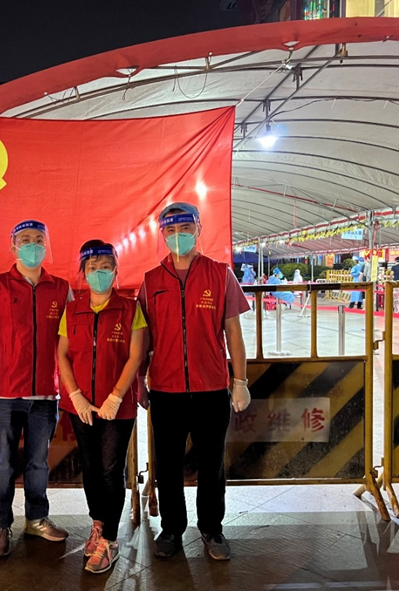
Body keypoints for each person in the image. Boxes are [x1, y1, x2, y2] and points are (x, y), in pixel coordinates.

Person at [137, 202, 250, 561]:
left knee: (211, 464)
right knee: (168, 464)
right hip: (166, 389)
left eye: (185, 228)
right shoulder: (151, 281)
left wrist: (240, 381)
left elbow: (233, 332)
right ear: (162, 234)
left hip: (211, 388)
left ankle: (212, 528)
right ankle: (172, 529)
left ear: (199, 229)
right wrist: (140, 378)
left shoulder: (220, 274)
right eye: (170, 230)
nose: (178, 236)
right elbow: (143, 337)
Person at [0, 220, 71, 557]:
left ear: (46, 245)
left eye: (38, 240)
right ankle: (0, 525)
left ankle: (37, 518)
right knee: (3, 462)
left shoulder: (61, 289)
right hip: (6, 392)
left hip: (46, 392)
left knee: (38, 462)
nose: (32, 245)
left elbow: (68, 337)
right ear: (13, 246)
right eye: (25, 240)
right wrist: (6, 359)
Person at [57, 240, 147, 574]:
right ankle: (98, 523)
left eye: (105, 267)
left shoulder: (130, 308)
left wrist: (117, 396)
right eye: (92, 268)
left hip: (117, 408)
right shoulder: (72, 310)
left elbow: (136, 355)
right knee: (91, 467)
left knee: (111, 470)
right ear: (83, 273)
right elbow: (62, 355)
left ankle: (109, 539)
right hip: (81, 406)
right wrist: (76, 395)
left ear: (115, 270)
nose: (99, 273)